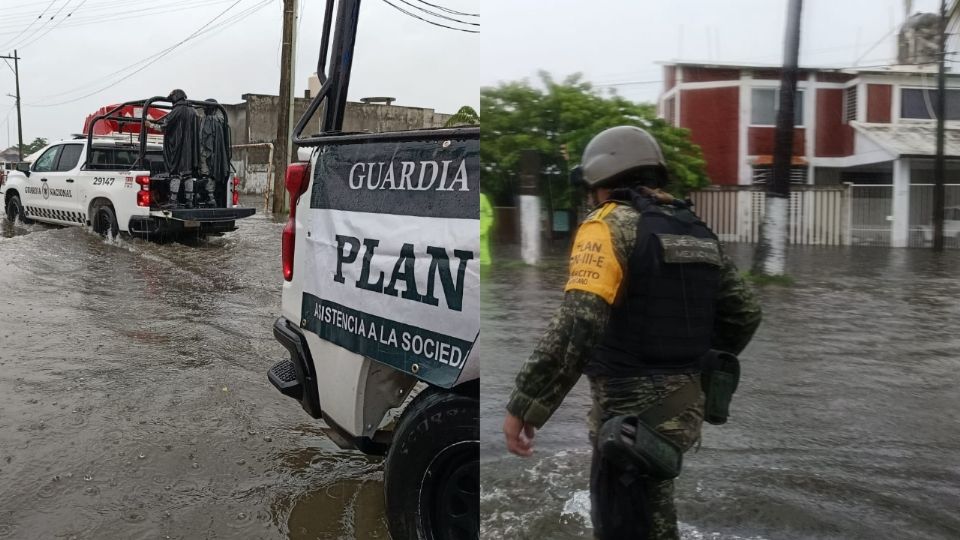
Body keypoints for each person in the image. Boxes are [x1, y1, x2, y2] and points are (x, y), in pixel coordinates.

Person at [502, 126, 762, 539]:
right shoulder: (694, 228)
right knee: (652, 514)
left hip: (628, 418)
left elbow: (579, 323)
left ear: (600, 182)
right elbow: (745, 313)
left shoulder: (608, 224)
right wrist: (689, 360)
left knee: (623, 523)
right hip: (683, 409)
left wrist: (526, 403)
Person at [151, 89, 199, 209]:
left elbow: (164, 127)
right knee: (188, 175)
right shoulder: (194, 111)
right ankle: (189, 201)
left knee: (175, 174)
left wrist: (150, 125)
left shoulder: (177, 111)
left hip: (177, 148)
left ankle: (173, 200)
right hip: (190, 149)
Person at [198, 98, 230, 207]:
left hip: (207, 153)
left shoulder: (208, 121)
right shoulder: (221, 121)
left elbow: (204, 140)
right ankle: (210, 197)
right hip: (218, 154)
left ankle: (210, 198)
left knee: (207, 174)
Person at [480, 191, 494, 266]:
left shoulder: (483, 197)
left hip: (483, 225)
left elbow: (489, 212)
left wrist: (488, 223)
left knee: (483, 243)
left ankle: (484, 260)